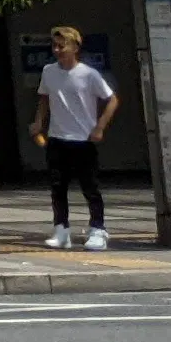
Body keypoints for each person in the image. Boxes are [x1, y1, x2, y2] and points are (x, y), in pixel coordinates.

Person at [30, 27, 121, 250]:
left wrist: (99, 127)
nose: (58, 50)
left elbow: (112, 100)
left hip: (83, 139)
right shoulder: (49, 71)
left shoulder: (89, 74)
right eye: (55, 46)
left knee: (90, 187)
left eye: (63, 46)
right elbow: (43, 98)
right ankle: (61, 230)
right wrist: (39, 122)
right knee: (57, 187)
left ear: (76, 47)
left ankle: (98, 229)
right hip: (57, 137)